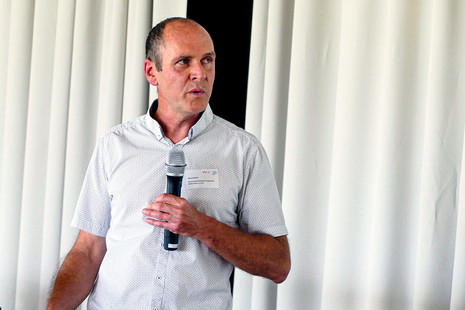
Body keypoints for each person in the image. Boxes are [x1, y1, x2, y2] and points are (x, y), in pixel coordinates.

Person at [47, 17, 290, 310]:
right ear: (152, 72)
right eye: (184, 62)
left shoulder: (243, 151)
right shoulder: (115, 145)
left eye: (207, 60)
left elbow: (278, 264)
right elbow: (87, 251)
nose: (199, 73)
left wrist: (202, 227)